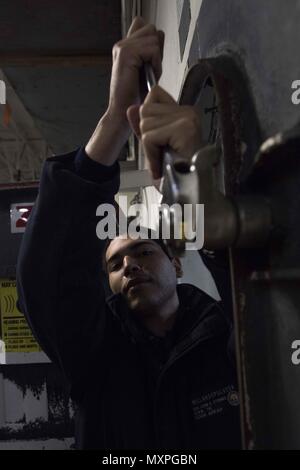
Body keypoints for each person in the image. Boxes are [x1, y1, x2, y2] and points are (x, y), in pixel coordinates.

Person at [16, 17, 241, 449]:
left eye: (141, 252)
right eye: (115, 265)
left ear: (175, 261)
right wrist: (116, 121)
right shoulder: (95, 355)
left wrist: (197, 188)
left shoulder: (225, 333)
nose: (129, 266)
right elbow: (47, 276)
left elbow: (259, 283)